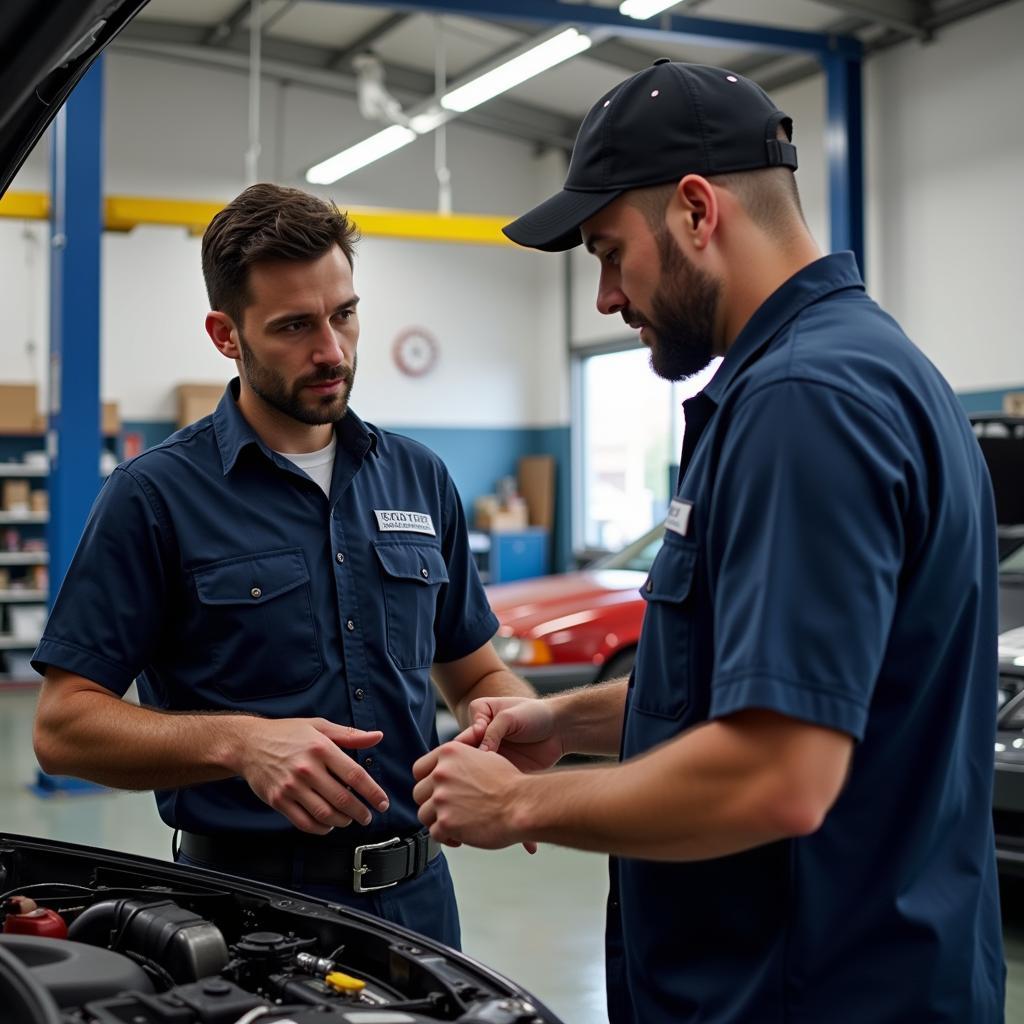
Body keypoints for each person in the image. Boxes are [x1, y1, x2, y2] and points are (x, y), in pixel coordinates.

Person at [412, 61, 1005, 1020]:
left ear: (696, 210)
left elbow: (778, 776)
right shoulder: (868, 368)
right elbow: (776, 683)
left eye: (610, 253)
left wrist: (518, 805)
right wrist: (566, 725)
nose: (605, 297)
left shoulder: (803, 403)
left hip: (804, 990)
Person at [31, 182, 533, 949]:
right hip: (247, 918)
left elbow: (475, 674)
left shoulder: (419, 478)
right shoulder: (155, 496)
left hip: (419, 907)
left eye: (344, 315)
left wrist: (504, 722)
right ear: (225, 335)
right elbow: (63, 728)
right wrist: (240, 742)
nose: (331, 350)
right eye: (294, 326)